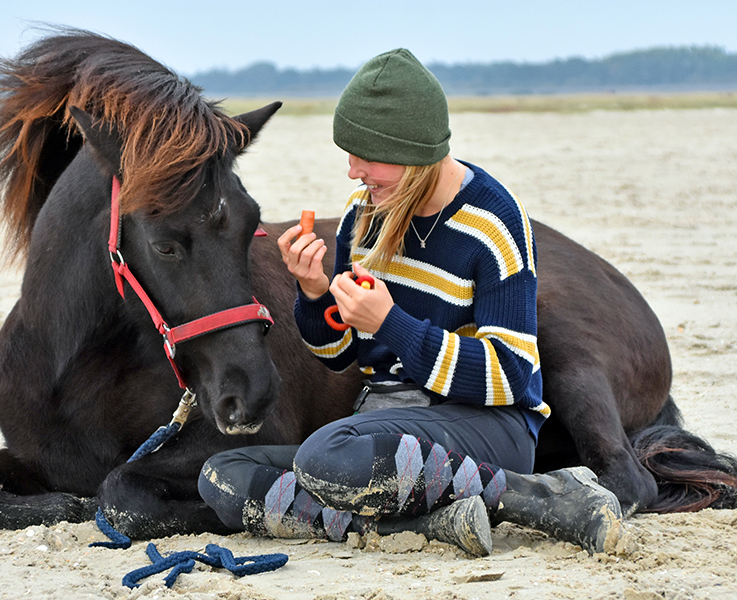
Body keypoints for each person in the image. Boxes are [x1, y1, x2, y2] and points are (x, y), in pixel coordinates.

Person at [198, 49, 625, 556]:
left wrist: (392, 324)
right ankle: (422, 527)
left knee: (325, 458)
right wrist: (313, 291)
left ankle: (537, 496)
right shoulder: (364, 217)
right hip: (384, 420)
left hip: (488, 424)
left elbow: (508, 376)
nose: (353, 172)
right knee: (222, 474)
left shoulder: (492, 222)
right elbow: (339, 355)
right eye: (348, 154)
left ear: (414, 153)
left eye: (366, 156)